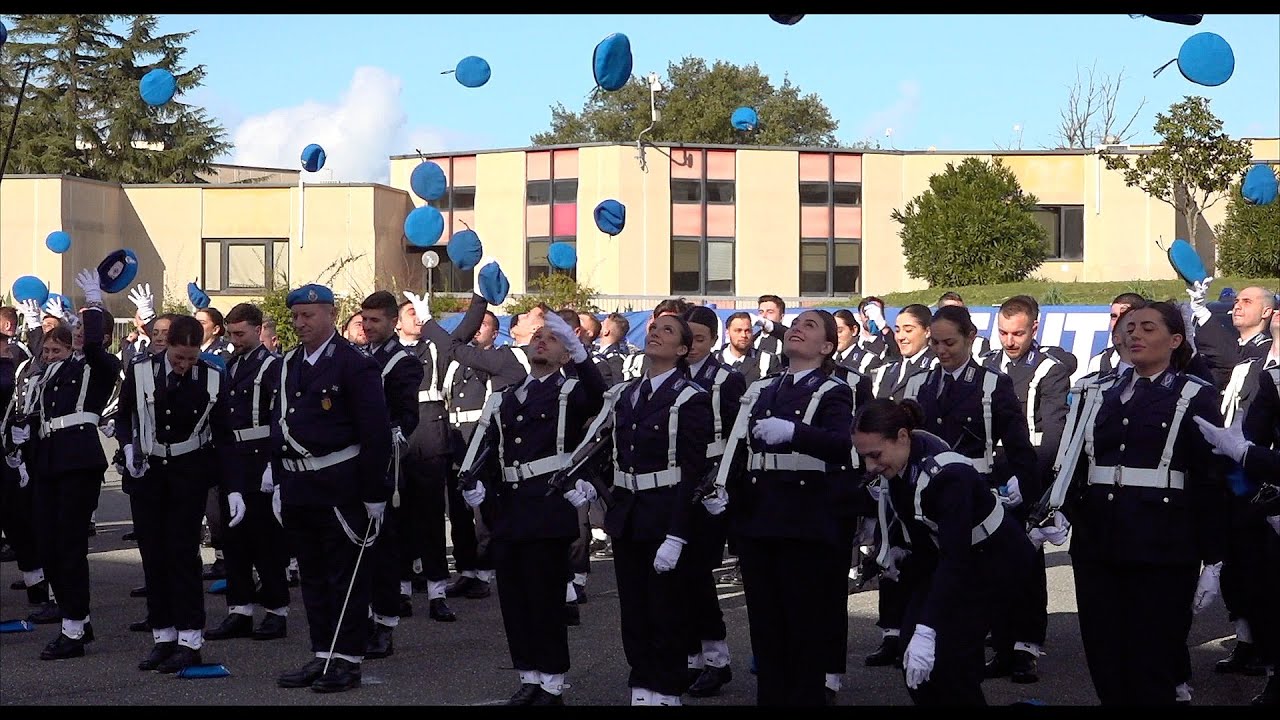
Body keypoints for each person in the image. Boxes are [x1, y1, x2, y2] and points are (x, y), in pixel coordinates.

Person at [1059, 302, 1230, 705]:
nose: (1135, 334)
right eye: (1130, 327)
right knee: (1104, 656)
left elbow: (1211, 481)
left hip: (1162, 546)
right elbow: (1075, 464)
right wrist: (1062, 511)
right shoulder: (1099, 392)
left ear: (1175, 340)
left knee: (1151, 662)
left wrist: (1214, 558)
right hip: (1098, 543)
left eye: (1148, 328)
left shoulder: (1195, 395)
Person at [457, 311, 607, 705]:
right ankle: (529, 676)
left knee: (544, 599)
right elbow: (493, 449)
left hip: (547, 506)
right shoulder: (508, 395)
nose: (541, 341)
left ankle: (552, 682)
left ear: (564, 354)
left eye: (552, 339)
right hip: (509, 508)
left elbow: (599, 396)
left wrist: (581, 356)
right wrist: (481, 488)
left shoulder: (570, 391)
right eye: (538, 335)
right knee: (515, 599)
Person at [851, 397, 1038, 706]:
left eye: (875, 455)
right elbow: (921, 528)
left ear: (902, 436)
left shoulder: (949, 476)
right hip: (948, 559)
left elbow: (956, 558)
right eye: (864, 457)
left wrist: (928, 630)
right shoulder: (901, 461)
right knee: (912, 653)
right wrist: (897, 552)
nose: (870, 466)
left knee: (949, 658)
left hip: (994, 561)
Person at [713, 309, 855, 706]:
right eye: (795, 324)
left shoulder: (833, 390)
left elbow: (842, 446)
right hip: (759, 516)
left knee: (803, 625)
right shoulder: (764, 387)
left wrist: (795, 432)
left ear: (826, 347)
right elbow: (739, 447)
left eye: (809, 326)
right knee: (766, 625)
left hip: (803, 518)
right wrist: (724, 489)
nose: (796, 329)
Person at [585, 314, 714, 706]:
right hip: (629, 514)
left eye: (668, 331)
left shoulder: (690, 397)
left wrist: (677, 534)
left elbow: (693, 471)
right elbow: (612, 451)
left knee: (667, 611)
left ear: (682, 350)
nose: (655, 333)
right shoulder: (627, 393)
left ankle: (668, 691)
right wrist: (594, 487)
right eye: (654, 328)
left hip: (665, 513)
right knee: (635, 611)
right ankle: (642, 687)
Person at [271, 283, 392, 694]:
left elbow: (375, 432)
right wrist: (277, 478)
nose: (300, 323)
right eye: (296, 316)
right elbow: (280, 423)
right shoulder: (289, 363)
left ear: (331, 315)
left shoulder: (353, 364)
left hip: (340, 485)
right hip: (300, 485)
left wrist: (374, 493)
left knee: (346, 578)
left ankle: (348, 660)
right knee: (313, 576)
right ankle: (323, 653)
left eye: (308, 315)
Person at [116, 311, 233, 671]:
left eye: (191, 359)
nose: (184, 365)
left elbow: (223, 433)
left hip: (188, 473)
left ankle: (190, 639)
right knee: (153, 556)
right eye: (179, 357)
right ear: (166, 345)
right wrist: (128, 447)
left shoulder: (212, 377)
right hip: (149, 473)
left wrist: (233, 486)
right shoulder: (140, 371)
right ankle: (163, 636)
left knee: (183, 556)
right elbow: (124, 416)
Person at [17, 272, 121, 660]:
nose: (77, 337)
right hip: (48, 458)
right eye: (73, 331)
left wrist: (93, 303)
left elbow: (91, 345)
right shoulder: (55, 370)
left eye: (82, 331)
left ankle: (74, 628)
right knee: (46, 543)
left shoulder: (100, 365)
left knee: (69, 545)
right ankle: (76, 615)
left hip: (78, 458)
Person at [980, 294, 1072, 683]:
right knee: (991, 562)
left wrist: (1030, 479)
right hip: (991, 473)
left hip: (1029, 470)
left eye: (1017, 333)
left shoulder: (1049, 369)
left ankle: (1026, 647)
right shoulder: (986, 365)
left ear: (1034, 328)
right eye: (1003, 332)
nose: (1009, 340)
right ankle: (1001, 644)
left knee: (1027, 565)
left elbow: (1052, 432)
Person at [393, 268, 490, 621]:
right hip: (396, 434)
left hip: (430, 430)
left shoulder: (435, 347)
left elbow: (465, 330)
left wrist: (479, 294)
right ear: (396, 323)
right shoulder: (385, 351)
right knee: (398, 516)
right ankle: (401, 591)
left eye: (420, 312)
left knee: (432, 515)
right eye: (410, 313)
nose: (417, 318)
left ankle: (437, 592)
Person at [203, 303, 290, 643]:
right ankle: (239, 609)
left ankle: (276, 610)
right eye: (231, 334)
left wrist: (273, 464)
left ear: (257, 329)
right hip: (233, 459)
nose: (234, 340)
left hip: (259, 457)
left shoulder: (273, 366)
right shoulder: (231, 365)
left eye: (240, 334)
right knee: (234, 539)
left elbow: (280, 417)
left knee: (265, 540)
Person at [426, 309, 527, 601]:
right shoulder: (456, 363)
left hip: (481, 438)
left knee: (483, 509)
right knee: (457, 510)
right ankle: (467, 569)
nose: (477, 330)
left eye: (484, 325)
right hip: (455, 437)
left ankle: (484, 572)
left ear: (495, 334)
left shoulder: (495, 360)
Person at [864, 302, 937, 668]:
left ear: (927, 332)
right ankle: (890, 632)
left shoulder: (932, 372)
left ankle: (919, 629)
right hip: (886, 469)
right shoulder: (887, 371)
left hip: (917, 469)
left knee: (918, 549)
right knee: (887, 545)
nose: (902, 336)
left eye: (910, 329)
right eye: (898, 329)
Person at [679, 306, 747, 698]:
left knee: (697, 573)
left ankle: (717, 659)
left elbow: (738, 439)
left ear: (713, 341)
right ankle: (691, 657)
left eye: (700, 339)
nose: (691, 346)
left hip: (708, 487)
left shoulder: (725, 379)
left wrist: (724, 487)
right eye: (687, 338)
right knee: (676, 576)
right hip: (673, 484)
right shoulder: (669, 375)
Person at [358, 290, 425, 660]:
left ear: (392, 321)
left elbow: (406, 415)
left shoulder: (403, 362)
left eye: (375, 320)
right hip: (355, 459)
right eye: (364, 320)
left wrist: (389, 433)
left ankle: (385, 624)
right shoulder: (359, 355)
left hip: (385, 463)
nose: (368, 327)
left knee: (383, 548)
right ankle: (364, 618)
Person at [1087, 293, 1147, 376]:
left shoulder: (1156, 359)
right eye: (1114, 317)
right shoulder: (1098, 361)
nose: (1118, 322)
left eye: (1124, 316)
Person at [937, 292, 992, 359]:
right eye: (950, 312)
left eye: (961, 311)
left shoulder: (978, 343)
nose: (957, 315)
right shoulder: (931, 344)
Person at [833, 309, 882, 376]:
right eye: (832, 331)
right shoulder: (829, 359)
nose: (835, 336)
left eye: (839, 331)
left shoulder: (867, 360)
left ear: (854, 330)